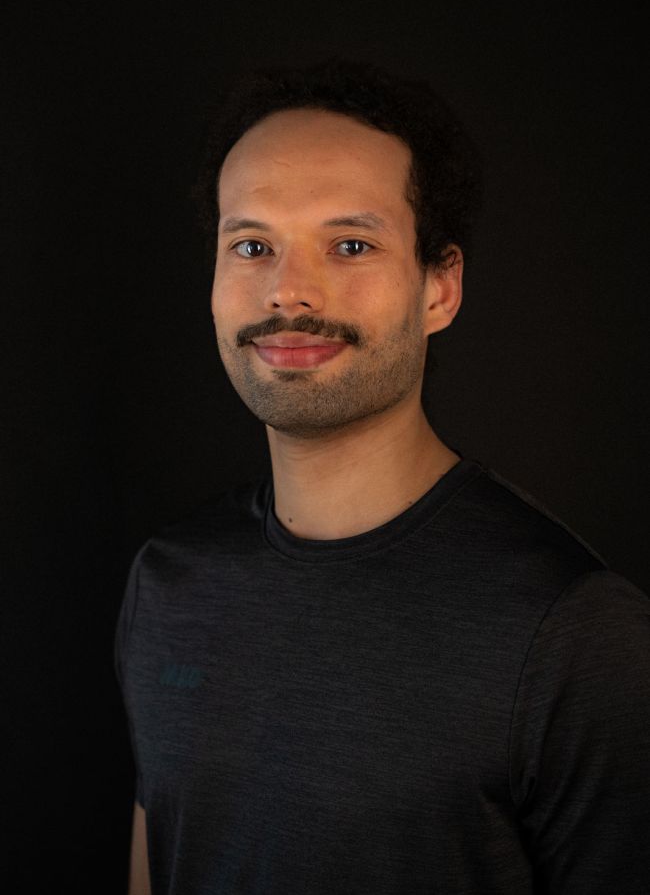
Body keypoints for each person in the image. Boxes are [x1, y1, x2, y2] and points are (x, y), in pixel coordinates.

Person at [115, 59, 650, 894]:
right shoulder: (169, 586)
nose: (289, 292)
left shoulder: (577, 634)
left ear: (440, 289)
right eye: (252, 245)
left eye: (351, 245)